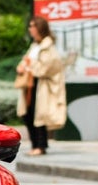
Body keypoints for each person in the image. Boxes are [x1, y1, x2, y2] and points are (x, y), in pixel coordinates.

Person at [16, 15, 66, 155]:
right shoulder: (35, 46)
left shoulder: (48, 47)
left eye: (32, 26)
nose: (30, 29)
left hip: (41, 86)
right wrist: (23, 67)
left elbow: (48, 67)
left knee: (39, 116)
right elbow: (26, 61)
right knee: (28, 114)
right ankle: (35, 145)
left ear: (39, 28)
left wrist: (29, 67)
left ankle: (40, 146)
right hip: (30, 85)